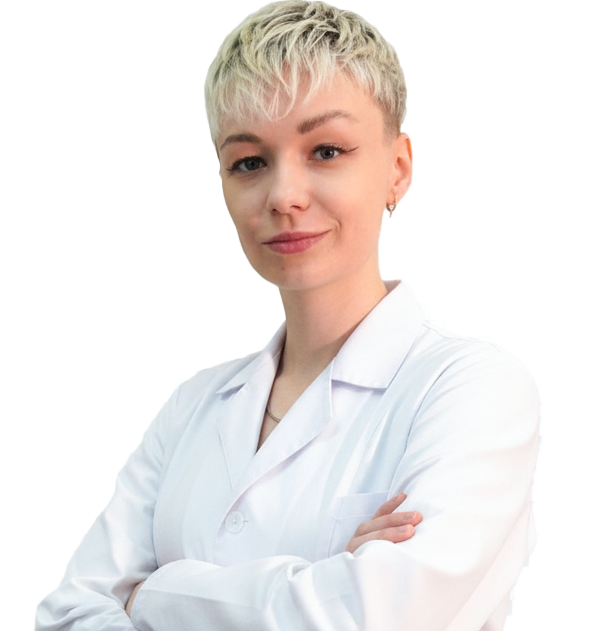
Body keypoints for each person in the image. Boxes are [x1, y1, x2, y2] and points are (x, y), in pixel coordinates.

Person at [34, 2, 540, 630]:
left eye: (326, 150)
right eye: (249, 162)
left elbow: (380, 617)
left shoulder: (472, 390)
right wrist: (324, 580)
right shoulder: (194, 408)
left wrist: (153, 595)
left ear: (398, 169)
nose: (283, 196)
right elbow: (66, 615)